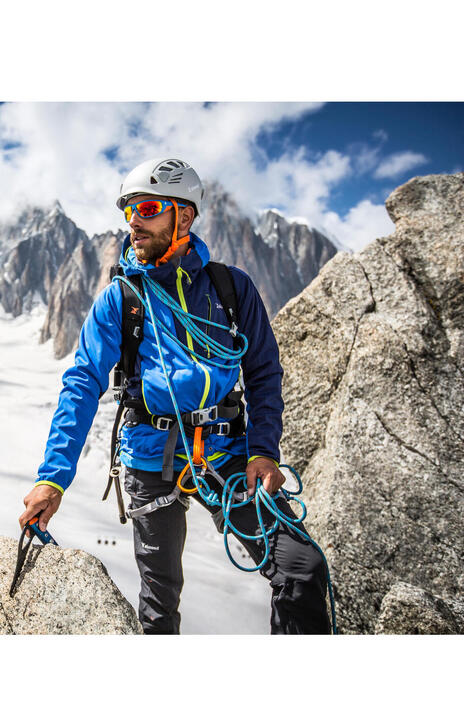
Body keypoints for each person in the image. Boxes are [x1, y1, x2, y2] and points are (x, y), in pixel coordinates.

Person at [20, 157, 331, 634]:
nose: (133, 222)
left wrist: (265, 450)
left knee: (301, 569)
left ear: (183, 215)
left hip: (228, 452)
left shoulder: (231, 288)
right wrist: (52, 479)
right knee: (159, 605)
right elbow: (82, 385)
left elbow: (264, 371)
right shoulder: (122, 298)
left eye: (146, 208)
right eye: (128, 211)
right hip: (151, 455)